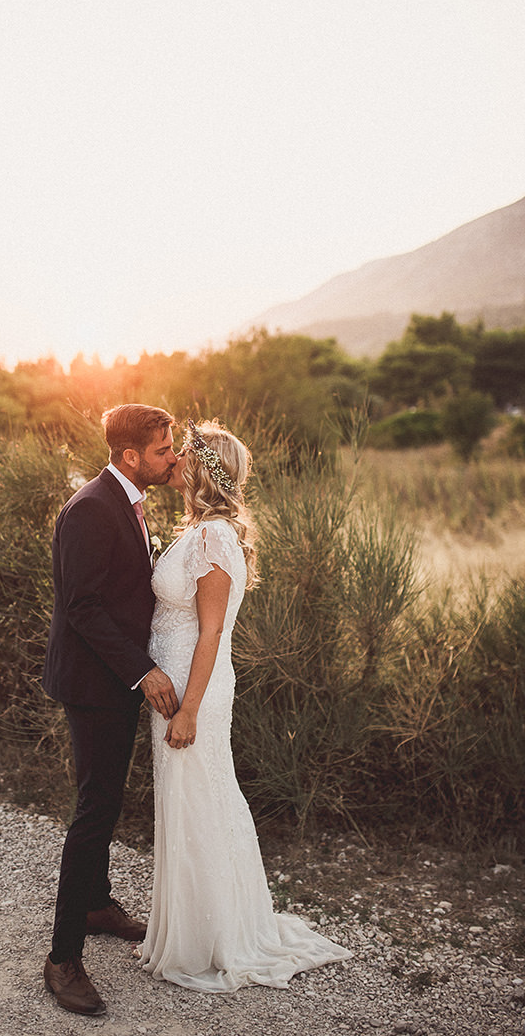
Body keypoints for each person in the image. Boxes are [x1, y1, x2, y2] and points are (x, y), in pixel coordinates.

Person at [140, 419, 352, 991]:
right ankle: (198, 924)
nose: (172, 462)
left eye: (180, 455)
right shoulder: (198, 530)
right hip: (176, 682)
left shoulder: (214, 538)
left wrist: (187, 709)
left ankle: (215, 935)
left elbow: (210, 633)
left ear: (204, 469)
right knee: (189, 797)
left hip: (193, 689)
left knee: (201, 796)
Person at [42, 404, 180, 1016]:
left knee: (107, 799)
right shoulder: (92, 508)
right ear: (130, 456)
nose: (172, 456)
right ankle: (62, 957)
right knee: (94, 810)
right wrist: (143, 671)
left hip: (114, 682)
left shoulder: (125, 499)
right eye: (162, 449)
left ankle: (96, 904)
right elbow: (83, 606)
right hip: (96, 684)